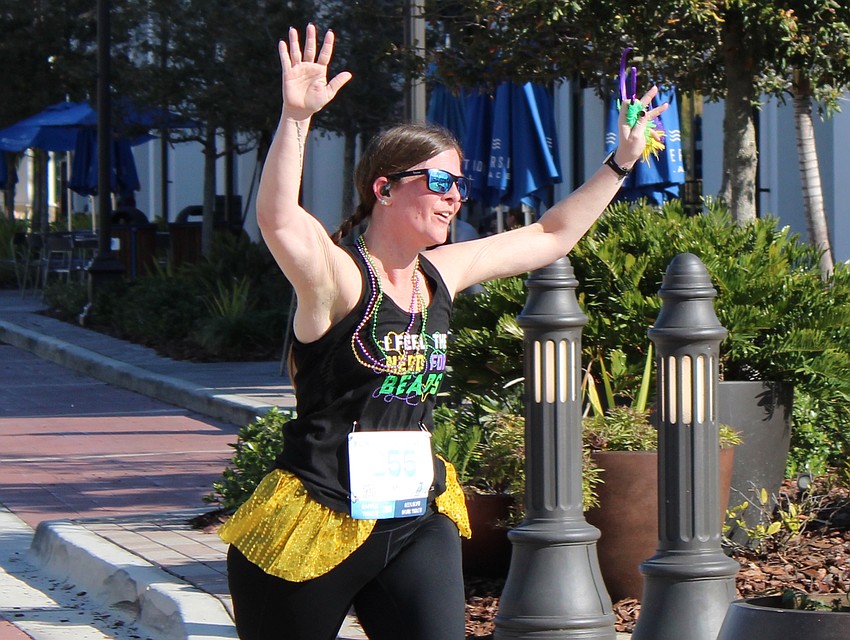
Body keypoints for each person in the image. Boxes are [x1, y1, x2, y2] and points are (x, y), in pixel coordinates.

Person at [219, 24, 667, 640]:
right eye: (438, 182)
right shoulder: (339, 277)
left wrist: (622, 161)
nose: (454, 197)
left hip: (412, 518)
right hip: (316, 519)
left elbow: (550, 235)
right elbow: (278, 218)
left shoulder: (441, 273)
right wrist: (296, 117)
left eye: (460, 184)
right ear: (385, 190)